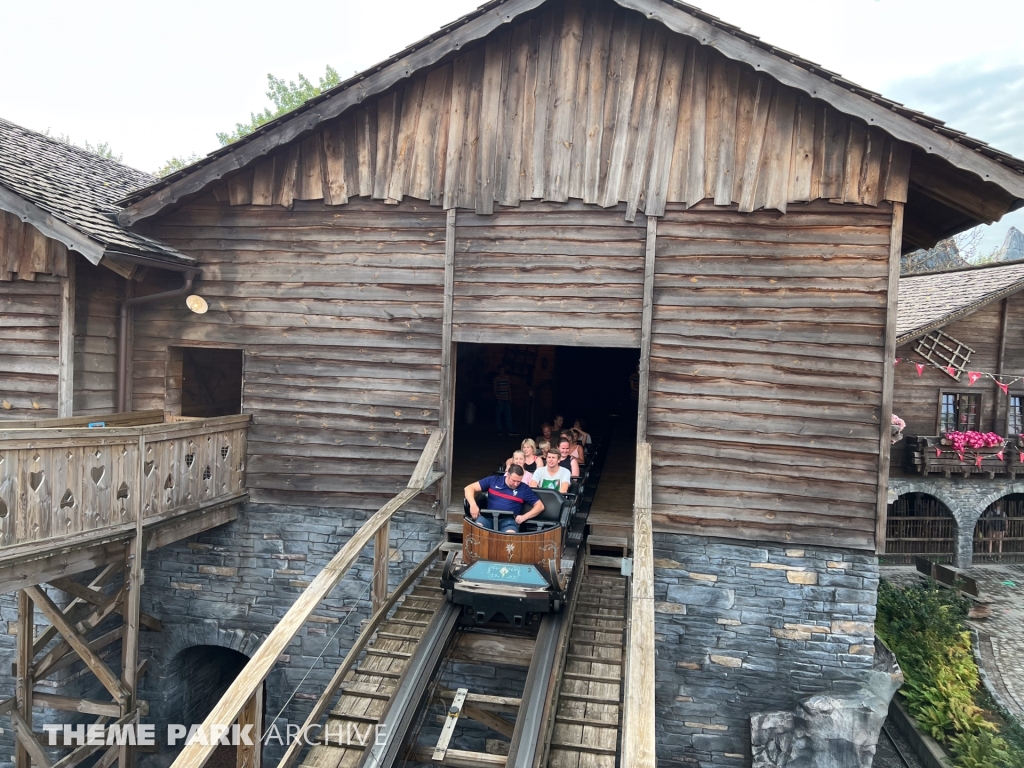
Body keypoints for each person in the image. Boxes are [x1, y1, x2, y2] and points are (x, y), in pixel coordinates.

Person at [464, 466, 543, 533]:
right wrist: (473, 505)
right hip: (488, 517)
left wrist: (525, 516)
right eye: (514, 480)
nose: (516, 484)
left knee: (510, 536)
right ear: (508, 475)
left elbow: (540, 506)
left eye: (519, 481)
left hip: (508, 521)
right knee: (476, 530)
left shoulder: (524, 488)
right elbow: (469, 488)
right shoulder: (494, 480)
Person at [493, 366, 517, 436]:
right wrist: (497, 398)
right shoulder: (496, 378)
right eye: (500, 369)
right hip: (500, 398)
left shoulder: (507, 378)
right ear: (499, 370)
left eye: (503, 369)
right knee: (498, 415)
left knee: (508, 415)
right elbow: (495, 388)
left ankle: (510, 429)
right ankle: (499, 429)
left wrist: (510, 397)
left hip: (506, 398)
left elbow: (508, 388)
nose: (502, 371)